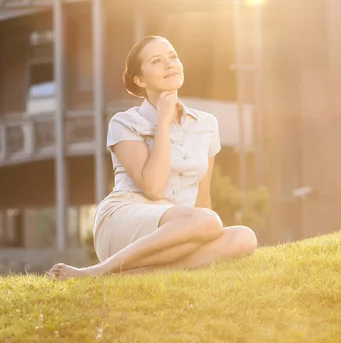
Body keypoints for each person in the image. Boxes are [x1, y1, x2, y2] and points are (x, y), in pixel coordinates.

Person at [46, 36, 257, 280]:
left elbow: (202, 199)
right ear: (140, 79)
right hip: (126, 221)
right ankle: (97, 272)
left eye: (173, 57)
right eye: (157, 61)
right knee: (209, 222)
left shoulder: (207, 124)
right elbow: (154, 189)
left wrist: (203, 232)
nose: (170, 65)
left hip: (178, 233)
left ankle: (134, 276)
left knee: (244, 237)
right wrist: (163, 123)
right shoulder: (124, 122)